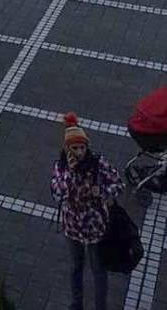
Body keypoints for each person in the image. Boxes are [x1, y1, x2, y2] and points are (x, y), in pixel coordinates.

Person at [50, 112, 123, 310]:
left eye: (83, 147)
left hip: (95, 225)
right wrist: (71, 174)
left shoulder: (98, 164)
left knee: (98, 270)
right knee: (76, 267)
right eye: (75, 148)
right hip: (72, 226)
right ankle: (76, 304)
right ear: (67, 148)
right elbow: (57, 194)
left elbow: (118, 183)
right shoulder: (62, 167)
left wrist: (103, 191)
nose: (80, 152)